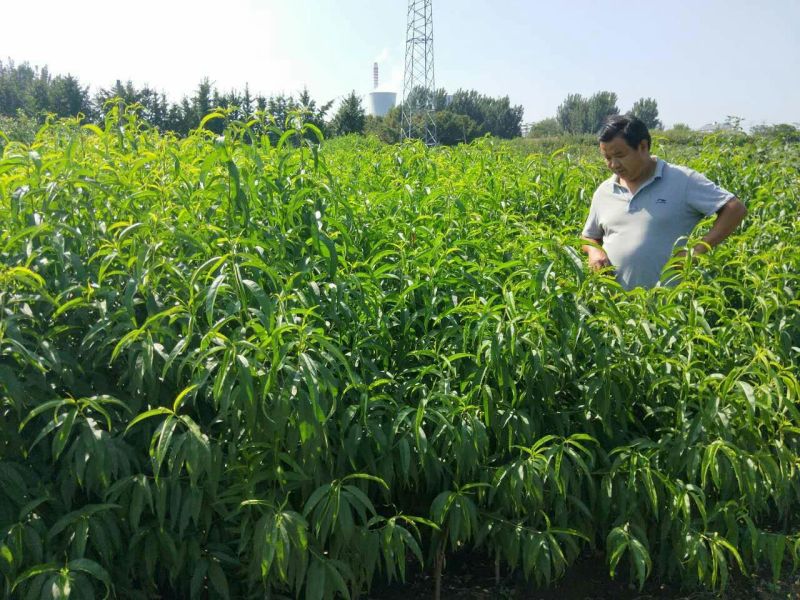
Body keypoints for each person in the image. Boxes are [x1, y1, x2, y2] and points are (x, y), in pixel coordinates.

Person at [581, 115, 747, 290]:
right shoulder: (605, 191)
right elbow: (589, 235)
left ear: (643, 146)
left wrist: (695, 251)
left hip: (665, 308)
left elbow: (734, 209)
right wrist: (593, 251)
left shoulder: (682, 180)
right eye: (607, 157)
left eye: (619, 155)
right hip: (613, 308)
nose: (613, 164)